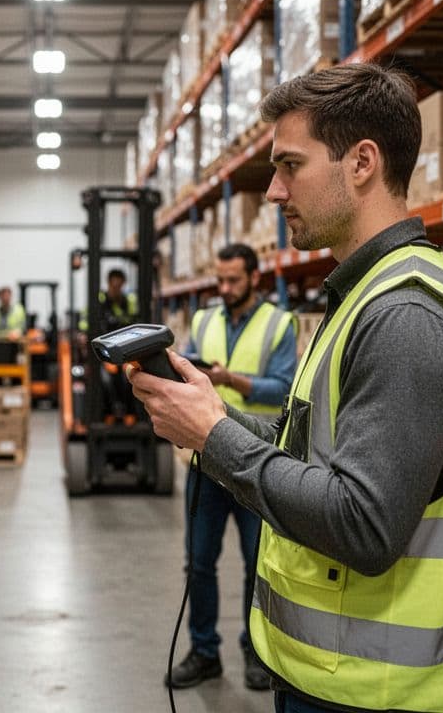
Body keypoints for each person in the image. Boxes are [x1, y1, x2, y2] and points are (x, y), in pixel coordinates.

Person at [128, 63, 443, 713]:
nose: (273, 192)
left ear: (361, 162)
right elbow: (308, 450)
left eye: (290, 165)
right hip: (340, 677)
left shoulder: (404, 316)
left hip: (388, 693)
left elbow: (363, 525)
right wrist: (211, 413)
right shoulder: (361, 296)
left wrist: (214, 438)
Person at [166, 243, 295, 692]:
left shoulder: (278, 323)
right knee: (199, 563)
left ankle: (256, 652)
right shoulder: (204, 320)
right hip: (206, 461)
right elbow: (189, 371)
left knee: (257, 563)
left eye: (233, 280)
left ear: (254, 278)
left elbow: (284, 388)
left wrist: (229, 380)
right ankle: (204, 652)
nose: (224, 288)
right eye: (219, 280)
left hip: (255, 463)